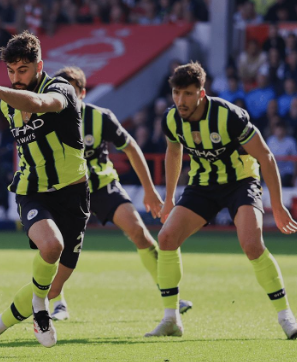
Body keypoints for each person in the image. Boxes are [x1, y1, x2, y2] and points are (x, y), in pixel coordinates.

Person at [145, 62, 297, 340]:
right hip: (202, 185)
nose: (180, 101)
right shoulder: (171, 119)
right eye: (176, 93)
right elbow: (174, 153)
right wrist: (169, 198)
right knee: (167, 237)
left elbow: (265, 156)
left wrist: (277, 206)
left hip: (240, 182)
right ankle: (171, 319)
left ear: (202, 94)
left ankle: (286, 317)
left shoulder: (229, 116)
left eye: (187, 94)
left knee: (252, 245)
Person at [0, 31, 89, 353]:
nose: (17, 79)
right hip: (33, 190)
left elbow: (41, 103)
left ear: (39, 66)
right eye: (12, 72)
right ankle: (40, 310)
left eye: (24, 71)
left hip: (74, 194)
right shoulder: (8, 103)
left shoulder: (61, 90)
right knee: (50, 246)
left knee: (52, 285)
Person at [48, 66, 192, 321]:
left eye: (72, 89)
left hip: (102, 187)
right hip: (65, 191)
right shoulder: (48, 119)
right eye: (62, 89)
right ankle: (57, 302)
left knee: (139, 233)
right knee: (53, 246)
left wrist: (148, 190)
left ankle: (170, 294)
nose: (66, 94)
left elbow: (131, 148)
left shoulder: (100, 117)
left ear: (82, 93)